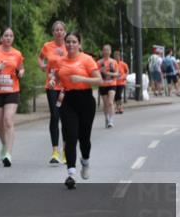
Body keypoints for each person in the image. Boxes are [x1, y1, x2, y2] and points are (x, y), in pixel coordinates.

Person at [52, 32, 102, 189]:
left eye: (74, 42)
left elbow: (99, 80)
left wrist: (82, 79)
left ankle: (85, 162)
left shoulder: (87, 59)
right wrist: (54, 80)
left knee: (84, 138)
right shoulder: (60, 61)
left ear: (79, 44)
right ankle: (71, 174)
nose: (71, 45)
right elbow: (56, 76)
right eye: (68, 42)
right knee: (70, 137)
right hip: (68, 101)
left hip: (86, 100)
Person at [0, 28, 24, 167]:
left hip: (11, 90)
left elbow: (21, 68)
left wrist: (21, 72)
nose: (8, 38)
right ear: (1, 38)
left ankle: (8, 153)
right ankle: (4, 144)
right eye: (6, 35)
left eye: (11, 36)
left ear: (13, 38)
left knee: (8, 120)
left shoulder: (17, 54)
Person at [38, 21, 68, 164]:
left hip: (66, 87)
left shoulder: (70, 45)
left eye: (61, 30)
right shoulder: (47, 46)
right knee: (55, 116)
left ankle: (66, 151)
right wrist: (42, 66)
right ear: (53, 32)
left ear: (65, 32)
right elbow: (40, 58)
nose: (59, 32)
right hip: (52, 86)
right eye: (56, 30)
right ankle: (55, 151)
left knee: (66, 118)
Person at [97, 44, 119, 129]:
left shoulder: (114, 62)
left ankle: (111, 120)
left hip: (112, 84)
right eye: (104, 50)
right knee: (105, 103)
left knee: (110, 102)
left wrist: (108, 73)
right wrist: (100, 71)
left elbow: (117, 74)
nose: (106, 52)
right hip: (103, 84)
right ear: (102, 51)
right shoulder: (99, 62)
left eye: (107, 50)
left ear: (110, 51)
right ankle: (106, 118)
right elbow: (95, 73)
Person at [113, 50, 128, 114]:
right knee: (115, 96)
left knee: (119, 95)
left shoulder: (123, 64)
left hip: (121, 82)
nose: (116, 58)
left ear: (120, 57)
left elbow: (127, 71)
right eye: (115, 56)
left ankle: (121, 107)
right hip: (114, 82)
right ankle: (117, 107)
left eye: (118, 56)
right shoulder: (112, 64)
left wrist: (124, 77)